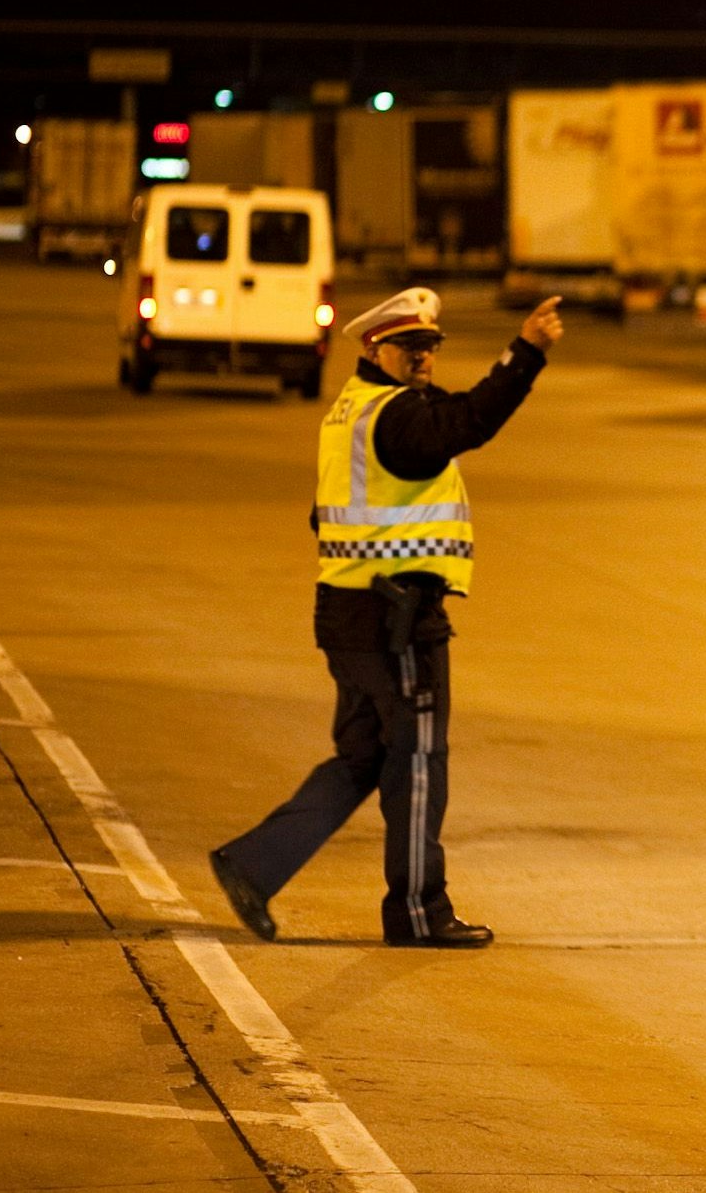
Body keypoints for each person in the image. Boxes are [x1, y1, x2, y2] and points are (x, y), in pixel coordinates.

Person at [211, 288, 564, 947]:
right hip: (395, 621)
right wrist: (525, 354)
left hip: (346, 615)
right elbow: (469, 422)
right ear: (377, 350)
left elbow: (323, 513)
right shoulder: (398, 418)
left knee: (362, 757)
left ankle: (253, 865)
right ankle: (418, 911)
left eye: (430, 346)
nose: (423, 357)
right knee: (419, 761)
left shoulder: (350, 411)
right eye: (410, 347)